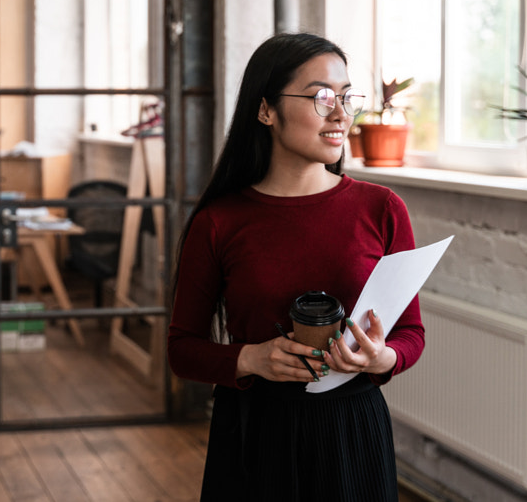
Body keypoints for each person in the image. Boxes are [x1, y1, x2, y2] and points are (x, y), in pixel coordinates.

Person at [167, 32, 424, 501]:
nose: (341, 113)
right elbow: (182, 349)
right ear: (265, 110)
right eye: (321, 96)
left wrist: (381, 358)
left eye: (347, 97)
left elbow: (410, 334)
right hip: (253, 433)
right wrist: (251, 358)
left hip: (353, 430)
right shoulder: (219, 221)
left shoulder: (383, 209)